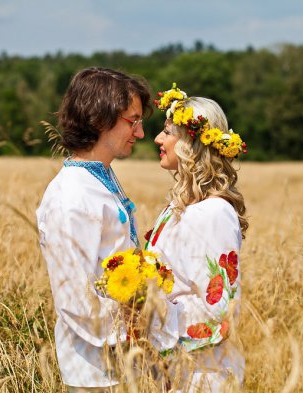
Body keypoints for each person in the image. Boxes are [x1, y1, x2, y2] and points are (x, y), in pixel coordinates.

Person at [36, 67, 153, 392]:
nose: (140, 133)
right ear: (100, 118)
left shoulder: (99, 176)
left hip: (123, 362)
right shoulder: (70, 196)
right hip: (95, 369)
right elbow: (75, 298)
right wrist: (129, 329)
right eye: (133, 120)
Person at [145, 83, 249, 392]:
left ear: (192, 143)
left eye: (167, 132)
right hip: (176, 367)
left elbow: (218, 308)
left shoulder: (214, 212)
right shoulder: (179, 207)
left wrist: (151, 311)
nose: (157, 139)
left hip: (204, 373)